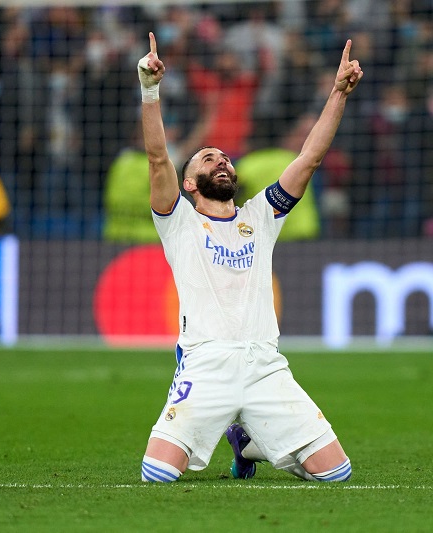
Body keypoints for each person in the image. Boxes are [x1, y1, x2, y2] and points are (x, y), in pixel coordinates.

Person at [136, 33, 362, 483]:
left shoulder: (261, 215)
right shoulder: (177, 221)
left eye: (224, 157)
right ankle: (239, 431)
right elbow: (159, 157)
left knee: (336, 474)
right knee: (157, 475)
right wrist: (149, 89)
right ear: (190, 184)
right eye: (206, 159)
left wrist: (337, 93)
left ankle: (250, 442)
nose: (220, 161)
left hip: (264, 365)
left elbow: (310, 157)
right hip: (206, 363)